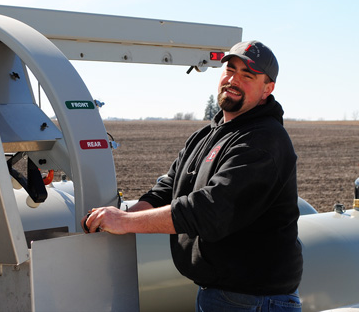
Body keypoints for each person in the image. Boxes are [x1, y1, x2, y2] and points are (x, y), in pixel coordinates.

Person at [82, 40, 303, 312]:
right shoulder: (208, 135)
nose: (233, 80)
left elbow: (211, 210)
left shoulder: (263, 140)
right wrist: (122, 217)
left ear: (267, 89)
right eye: (230, 70)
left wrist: (127, 222)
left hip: (254, 300)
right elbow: (169, 186)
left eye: (248, 76)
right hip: (222, 294)